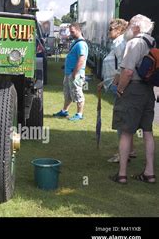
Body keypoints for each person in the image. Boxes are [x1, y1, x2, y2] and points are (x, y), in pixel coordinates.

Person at [110, 14, 156, 184]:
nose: (128, 27)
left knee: (126, 131)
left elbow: (128, 72)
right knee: (148, 131)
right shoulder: (152, 42)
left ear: (136, 27)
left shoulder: (134, 42)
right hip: (148, 90)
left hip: (133, 90)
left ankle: (122, 174)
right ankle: (149, 173)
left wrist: (120, 89)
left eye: (130, 25)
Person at [98, 19, 137, 163]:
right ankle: (130, 151)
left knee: (121, 121)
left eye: (110, 29)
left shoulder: (120, 43)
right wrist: (105, 82)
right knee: (125, 120)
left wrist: (117, 84)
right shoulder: (118, 43)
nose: (108, 32)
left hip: (121, 87)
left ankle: (123, 154)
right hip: (118, 85)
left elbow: (123, 65)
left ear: (119, 30)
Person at [53, 22, 89, 121]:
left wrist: (74, 73)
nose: (71, 34)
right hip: (69, 73)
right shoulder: (76, 42)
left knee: (78, 94)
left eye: (72, 32)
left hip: (75, 74)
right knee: (67, 94)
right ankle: (64, 111)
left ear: (78, 30)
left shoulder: (81, 44)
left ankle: (79, 114)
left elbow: (81, 59)